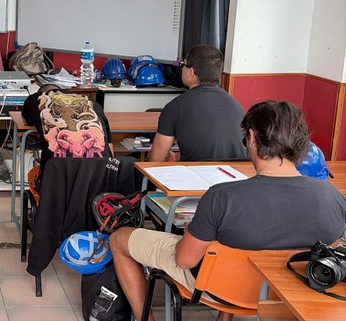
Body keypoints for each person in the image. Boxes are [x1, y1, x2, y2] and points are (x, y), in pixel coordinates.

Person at [111, 100, 346, 321]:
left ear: (251, 137)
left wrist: (192, 231)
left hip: (220, 289)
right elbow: (328, 251)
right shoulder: (332, 197)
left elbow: (184, 260)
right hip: (287, 292)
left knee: (119, 239)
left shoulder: (222, 197)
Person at [148, 45, 247, 162]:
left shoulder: (176, 107)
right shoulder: (237, 106)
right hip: (236, 173)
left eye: (183, 65)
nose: (182, 69)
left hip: (196, 173)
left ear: (191, 72)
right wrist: (177, 157)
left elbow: (155, 160)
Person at [22, 84, 113, 191]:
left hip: (58, 184)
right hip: (101, 180)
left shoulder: (35, 98)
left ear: (41, 93)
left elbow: (25, 121)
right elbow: (109, 146)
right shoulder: (90, 100)